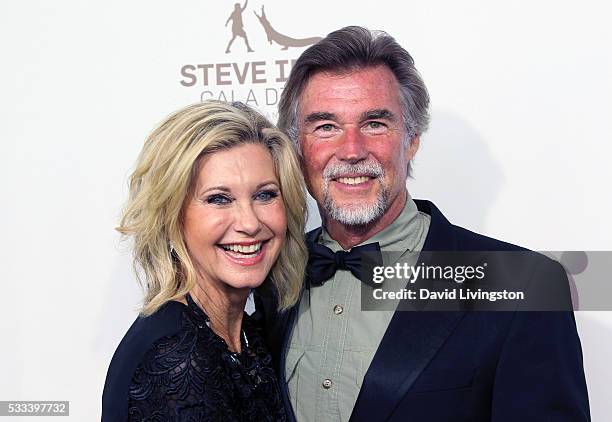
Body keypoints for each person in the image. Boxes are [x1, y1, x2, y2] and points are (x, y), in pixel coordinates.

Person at [257, 26, 590, 421]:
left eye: (375, 124)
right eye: (326, 126)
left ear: (412, 139)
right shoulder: (273, 271)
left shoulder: (522, 283)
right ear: (296, 146)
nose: (351, 151)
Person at [102, 100, 307, 421]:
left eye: (265, 194)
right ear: (171, 216)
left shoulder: (244, 334)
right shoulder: (177, 361)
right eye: (218, 199)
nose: (250, 223)